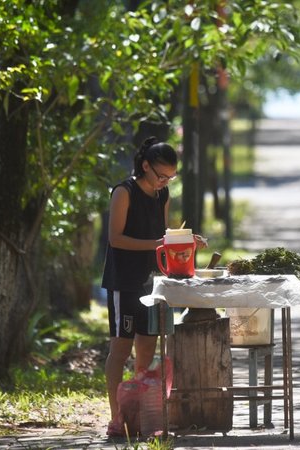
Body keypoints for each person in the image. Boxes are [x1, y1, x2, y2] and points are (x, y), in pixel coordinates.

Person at [101, 136, 205, 436]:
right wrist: (156, 244)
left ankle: (140, 415)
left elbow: (164, 233)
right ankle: (116, 416)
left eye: (170, 177)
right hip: (125, 281)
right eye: (160, 176)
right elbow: (115, 239)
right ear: (145, 165)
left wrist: (183, 241)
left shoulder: (162, 195)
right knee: (120, 348)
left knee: (147, 348)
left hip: (153, 282)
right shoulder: (124, 191)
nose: (164, 182)